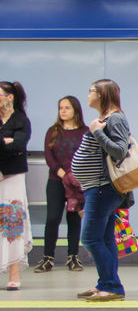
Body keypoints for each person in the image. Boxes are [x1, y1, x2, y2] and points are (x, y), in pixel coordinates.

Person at [69, 79, 132, 301]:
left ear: (103, 94)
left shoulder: (115, 119)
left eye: (91, 91)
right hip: (96, 188)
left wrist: (97, 132)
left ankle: (113, 286)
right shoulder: (108, 118)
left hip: (103, 188)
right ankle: (105, 283)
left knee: (90, 238)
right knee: (104, 239)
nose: (88, 95)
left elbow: (119, 151)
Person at [37, 95, 88, 273]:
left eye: (67, 108)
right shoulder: (53, 131)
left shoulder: (85, 131)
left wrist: (75, 175)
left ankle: (72, 257)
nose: (63, 111)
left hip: (77, 182)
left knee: (74, 219)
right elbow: (49, 155)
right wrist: (62, 173)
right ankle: (47, 257)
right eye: (60, 108)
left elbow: (88, 155)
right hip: (56, 180)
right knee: (52, 218)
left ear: (75, 110)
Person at [0, 81, 33, 290]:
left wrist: (11, 143)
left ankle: (14, 272)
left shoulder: (21, 120)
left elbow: (20, 145)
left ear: (9, 97)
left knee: (12, 221)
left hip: (12, 176)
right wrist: (6, 141)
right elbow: (11, 146)